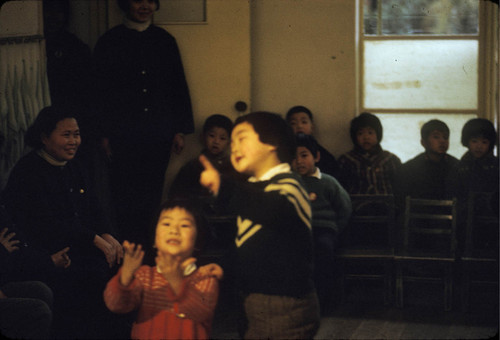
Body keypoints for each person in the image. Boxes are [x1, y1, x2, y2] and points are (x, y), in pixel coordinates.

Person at [1, 106, 123, 338]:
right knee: (92, 272)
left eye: (76, 134)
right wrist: (93, 239)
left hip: (78, 243)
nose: (73, 141)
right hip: (48, 251)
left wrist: (107, 234)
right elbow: (45, 224)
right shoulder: (29, 171)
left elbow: (95, 207)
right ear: (44, 138)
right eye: (66, 135)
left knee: (122, 257)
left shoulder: (75, 166)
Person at [200, 111, 320, 339]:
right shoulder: (255, 188)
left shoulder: (290, 185)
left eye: (242, 138)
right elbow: (250, 244)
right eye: (232, 141)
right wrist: (225, 266)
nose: (234, 147)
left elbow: (270, 210)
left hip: (285, 305)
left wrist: (223, 187)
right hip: (254, 300)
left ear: (271, 144)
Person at [93, 0, 195, 248]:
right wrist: (103, 133)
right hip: (122, 134)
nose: (145, 6)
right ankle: (126, 249)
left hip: (159, 133)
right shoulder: (109, 41)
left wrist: (179, 129)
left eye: (150, 1)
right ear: (126, 4)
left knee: (152, 194)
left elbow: (177, 86)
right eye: (138, 0)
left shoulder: (165, 40)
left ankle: (148, 249)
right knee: (123, 195)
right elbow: (98, 91)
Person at [104, 199, 221, 340]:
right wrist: (125, 278)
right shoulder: (145, 275)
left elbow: (199, 312)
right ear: (154, 239)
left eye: (184, 225)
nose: (174, 230)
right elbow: (117, 305)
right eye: (166, 223)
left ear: (199, 240)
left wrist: (175, 281)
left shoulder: (204, 279)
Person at [292, 133, 351, 315]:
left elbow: (344, 208)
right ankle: (298, 300)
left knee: (323, 251)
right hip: (297, 230)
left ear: (316, 157)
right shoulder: (290, 182)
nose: (299, 161)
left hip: (323, 229)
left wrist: (335, 230)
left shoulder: (327, 181)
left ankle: (323, 300)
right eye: (294, 157)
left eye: (304, 155)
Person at [449, 118, 498, 254]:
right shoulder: (459, 167)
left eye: (484, 142)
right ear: (467, 142)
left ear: (490, 143)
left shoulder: (497, 166)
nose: (479, 146)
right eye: (474, 141)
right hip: (464, 223)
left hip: (492, 222)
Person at [169, 114, 240, 202]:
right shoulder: (193, 166)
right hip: (195, 210)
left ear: (229, 142)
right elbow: (176, 193)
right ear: (203, 137)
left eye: (222, 138)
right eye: (212, 136)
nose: (216, 141)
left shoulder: (232, 167)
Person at [395, 119, 459, 203]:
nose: (442, 141)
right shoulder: (410, 168)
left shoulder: (457, 167)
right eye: (436, 137)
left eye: (445, 137)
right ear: (423, 142)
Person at [338, 112, 402, 195]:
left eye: (370, 133)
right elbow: (340, 190)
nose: (366, 137)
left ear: (378, 135)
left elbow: (400, 187)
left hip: (386, 204)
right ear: (354, 137)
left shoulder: (390, 159)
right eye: (360, 133)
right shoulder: (346, 160)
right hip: (356, 205)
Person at [286, 105, 339, 177]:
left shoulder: (325, 156)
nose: (299, 126)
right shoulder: (283, 152)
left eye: (304, 122)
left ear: (312, 127)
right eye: (293, 123)